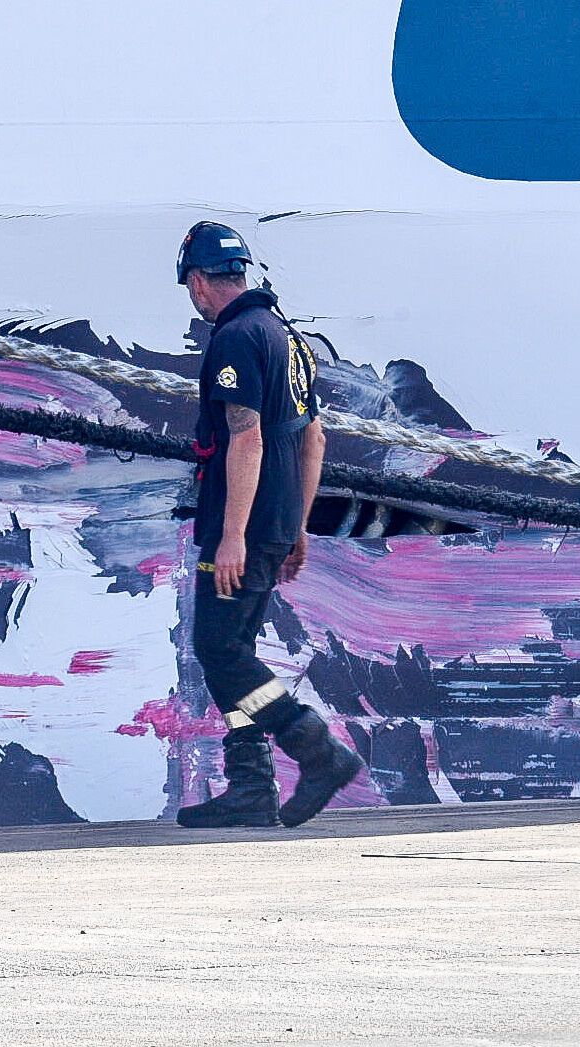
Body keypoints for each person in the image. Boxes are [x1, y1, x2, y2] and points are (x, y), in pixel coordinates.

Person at [172, 221, 364, 829]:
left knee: (220, 650)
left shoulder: (235, 339)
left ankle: (316, 749)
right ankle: (252, 787)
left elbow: (247, 437)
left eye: (191, 288)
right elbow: (314, 439)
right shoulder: (288, 338)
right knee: (235, 651)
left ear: (197, 281)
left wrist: (233, 535)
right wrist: (297, 525)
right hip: (278, 520)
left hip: (243, 525)